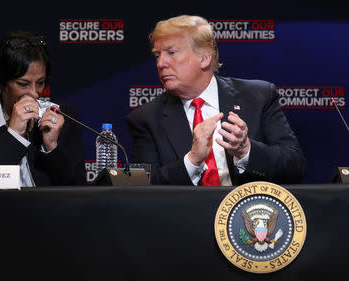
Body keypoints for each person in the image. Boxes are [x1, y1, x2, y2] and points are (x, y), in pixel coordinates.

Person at [126, 15, 306, 186]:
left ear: (204, 58)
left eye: (171, 52)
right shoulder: (147, 118)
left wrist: (246, 151)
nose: (161, 63)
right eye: (157, 55)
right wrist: (192, 161)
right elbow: (143, 187)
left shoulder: (258, 97)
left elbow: (295, 167)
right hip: (184, 216)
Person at [0, 31, 86, 186]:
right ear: (1, 83)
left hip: (48, 209)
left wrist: (52, 147)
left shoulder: (62, 116)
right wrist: (14, 135)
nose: (34, 93)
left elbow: (78, 190)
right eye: (23, 84)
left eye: (40, 82)